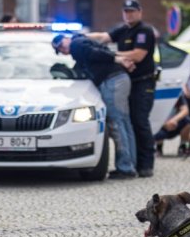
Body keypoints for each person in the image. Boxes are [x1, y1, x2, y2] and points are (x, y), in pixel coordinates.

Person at [52, 33, 137, 179]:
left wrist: (116, 59)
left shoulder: (76, 44)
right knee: (124, 123)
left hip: (112, 82)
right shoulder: (82, 44)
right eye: (59, 50)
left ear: (67, 39)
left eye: (61, 45)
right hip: (119, 79)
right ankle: (129, 164)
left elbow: (94, 53)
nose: (63, 50)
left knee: (116, 124)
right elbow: (89, 59)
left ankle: (125, 168)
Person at [87, 0, 156, 178]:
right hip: (129, 82)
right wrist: (80, 36)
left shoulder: (144, 31)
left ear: (140, 12)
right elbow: (103, 37)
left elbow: (138, 55)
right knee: (130, 122)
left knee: (140, 122)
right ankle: (135, 163)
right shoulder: (123, 29)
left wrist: (111, 55)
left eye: (132, 11)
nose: (129, 14)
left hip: (143, 82)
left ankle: (147, 163)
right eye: (126, 11)